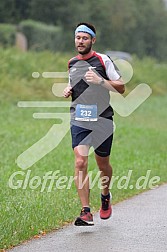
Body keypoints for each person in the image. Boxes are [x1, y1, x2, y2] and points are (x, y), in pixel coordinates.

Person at [63, 22, 125, 226]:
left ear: (93, 40)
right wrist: (68, 89)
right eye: (77, 38)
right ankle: (86, 211)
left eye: (84, 38)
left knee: (103, 164)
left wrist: (100, 81)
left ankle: (105, 196)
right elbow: (74, 83)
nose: (80, 41)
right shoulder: (71, 63)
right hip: (79, 118)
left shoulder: (103, 60)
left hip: (103, 119)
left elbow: (121, 87)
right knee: (80, 162)